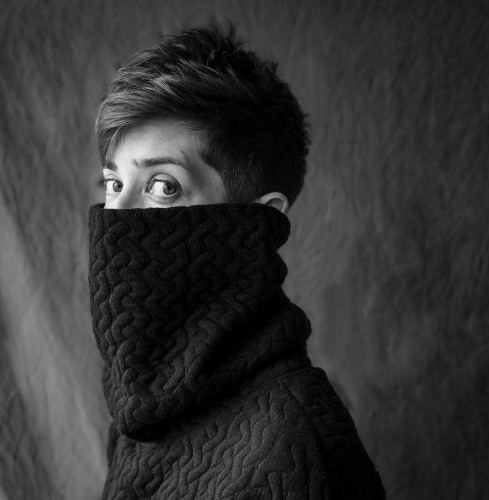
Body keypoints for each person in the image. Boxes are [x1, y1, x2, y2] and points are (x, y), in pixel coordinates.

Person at [88, 24, 386, 499]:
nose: (116, 218)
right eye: (113, 184)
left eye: (163, 186)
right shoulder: (140, 412)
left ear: (257, 222)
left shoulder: (298, 445)